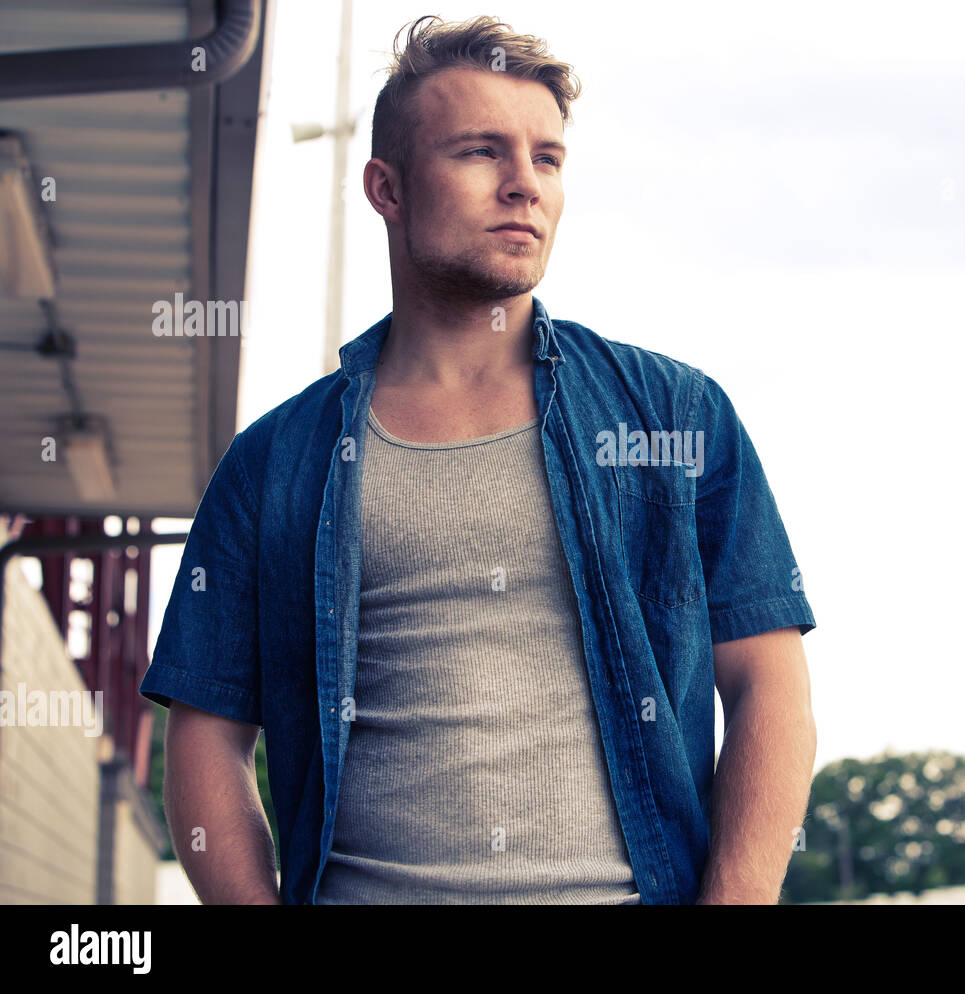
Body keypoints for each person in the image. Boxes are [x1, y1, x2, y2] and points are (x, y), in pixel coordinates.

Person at [139, 14, 817, 906]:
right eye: (479, 153)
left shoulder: (673, 415)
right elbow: (207, 731)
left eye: (547, 157)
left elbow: (767, 681)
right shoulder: (274, 461)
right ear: (387, 187)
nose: (523, 186)